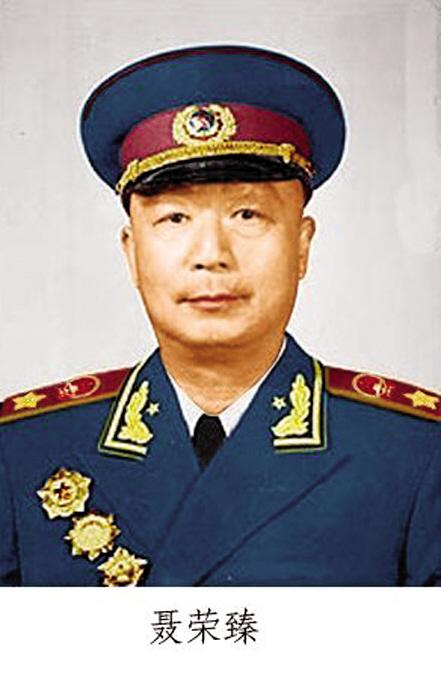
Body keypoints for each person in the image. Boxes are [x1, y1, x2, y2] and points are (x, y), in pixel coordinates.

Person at [0, 45, 440, 587]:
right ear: (131, 252)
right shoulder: (23, 447)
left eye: (247, 214)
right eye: (174, 218)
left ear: (302, 246)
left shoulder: (414, 451)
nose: (211, 254)